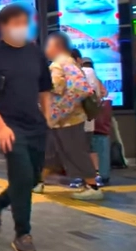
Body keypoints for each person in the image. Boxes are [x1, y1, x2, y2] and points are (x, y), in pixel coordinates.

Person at [0, 4, 53, 251]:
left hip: (36, 124)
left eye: (26, 22)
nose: (23, 27)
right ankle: (23, 233)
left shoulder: (35, 54)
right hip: (10, 127)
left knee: (33, 178)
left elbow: (44, 89)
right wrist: (0, 126)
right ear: (4, 26)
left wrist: (47, 117)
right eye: (18, 23)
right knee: (21, 177)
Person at [35, 33, 102, 200]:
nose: (46, 49)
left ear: (57, 47)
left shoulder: (62, 63)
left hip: (68, 120)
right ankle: (38, 181)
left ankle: (93, 187)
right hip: (60, 120)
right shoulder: (64, 63)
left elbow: (79, 88)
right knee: (53, 151)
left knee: (75, 152)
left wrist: (61, 110)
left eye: (49, 46)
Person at [80, 57, 110, 185]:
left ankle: (85, 176)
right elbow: (103, 93)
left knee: (82, 148)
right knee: (90, 147)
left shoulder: (80, 76)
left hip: (81, 119)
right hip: (91, 119)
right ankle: (96, 174)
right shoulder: (96, 79)